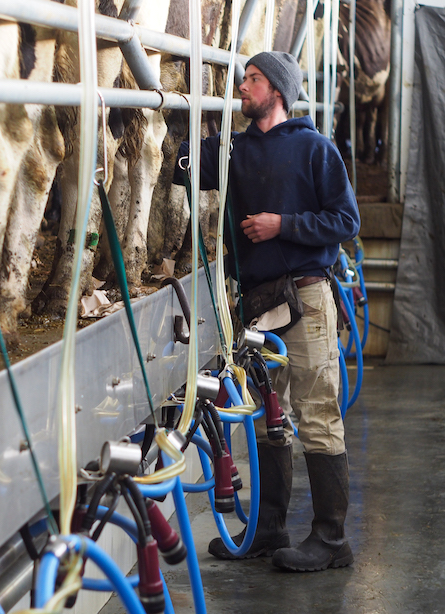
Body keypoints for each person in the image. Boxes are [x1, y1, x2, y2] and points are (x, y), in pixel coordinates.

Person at [172, 51, 360, 571]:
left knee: (317, 413)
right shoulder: (232, 149)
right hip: (255, 304)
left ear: (276, 91)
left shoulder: (314, 148)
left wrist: (284, 225)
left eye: (252, 79)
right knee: (266, 417)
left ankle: (331, 538)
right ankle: (270, 528)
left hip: (307, 297)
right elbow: (179, 165)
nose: (242, 86)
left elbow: (346, 220)